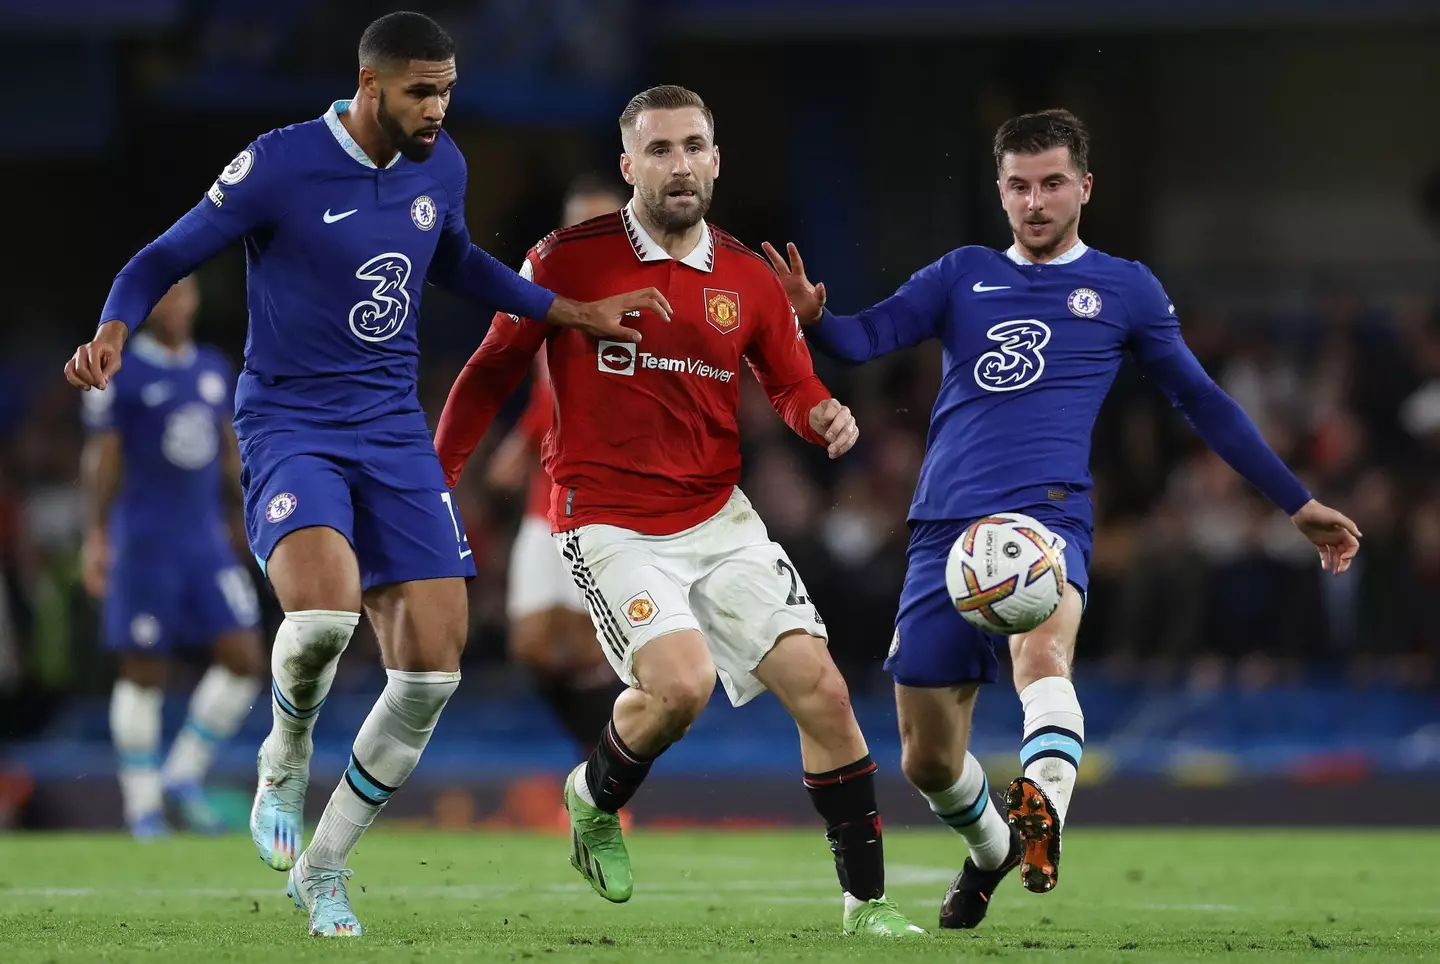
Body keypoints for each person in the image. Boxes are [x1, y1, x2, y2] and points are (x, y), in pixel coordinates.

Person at [63, 11, 667, 939]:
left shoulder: (443, 163)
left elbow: (457, 259)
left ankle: (327, 865)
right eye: (422, 90)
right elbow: (164, 255)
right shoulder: (280, 162)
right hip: (291, 420)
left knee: (432, 672)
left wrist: (567, 310)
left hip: (390, 429)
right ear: (369, 83)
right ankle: (284, 755)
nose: (438, 107)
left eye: (448, 90)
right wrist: (114, 326)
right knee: (322, 618)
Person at [762, 108, 1361, 930]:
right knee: (927, 759)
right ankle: (992, 849)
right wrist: (813, 318)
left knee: (1043, 653)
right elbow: (866, 340)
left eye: (1051, 184)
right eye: (1018, 186)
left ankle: (1043, 813)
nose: (1035, 201)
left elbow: (1204, 401)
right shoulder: (959, 273)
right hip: (944, 529)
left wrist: (1297, 503)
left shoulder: (1125, 289)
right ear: (999, 191)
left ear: (1084, 186)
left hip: (1048, 517)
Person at [435, 85, 924, 938]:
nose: (681, 164)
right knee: (683, 685)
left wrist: (822, 415)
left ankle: (867, 906)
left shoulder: (746, 276)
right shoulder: (565, 258)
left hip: (717, 517)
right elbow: (489, 369)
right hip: (608, 518)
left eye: (694, 145)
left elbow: (791, 381)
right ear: (629, 167)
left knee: (824, 691)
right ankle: (593, 798)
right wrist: (436, 477)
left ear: (717, 158)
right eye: (659, 150)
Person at [80, 275, 265, 840]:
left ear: (196, 300)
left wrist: (250, 514)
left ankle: (183, 775)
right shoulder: (124, 371)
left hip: (205, 539)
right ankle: (142, 809)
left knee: (245, 658)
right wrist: (96, 534)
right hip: (145, 541)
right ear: (147, 304)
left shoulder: (213, 367)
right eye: (165, 294)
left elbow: (229, 455)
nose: (176, 304)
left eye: (183, 293)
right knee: (143, 671)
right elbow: (103, 457)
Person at [484, 176, 629, 759]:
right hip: (547, 490)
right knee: (532, 645)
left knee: (593, 645)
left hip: (608, 498)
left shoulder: (645, 297)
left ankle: (610, 773)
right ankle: (599, 759)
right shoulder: (547, 292)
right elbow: (550, 386)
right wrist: (522, 439)